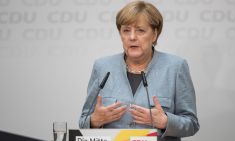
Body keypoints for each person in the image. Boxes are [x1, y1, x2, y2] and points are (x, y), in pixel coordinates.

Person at [79, 1, 199, 140]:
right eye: (126, 30)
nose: (132, 37)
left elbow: (192, 124)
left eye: (140, 30)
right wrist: (94, 121)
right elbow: (83, 121)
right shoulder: (102, 66)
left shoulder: (176, 67)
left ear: (154, 34)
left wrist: (166, 121)